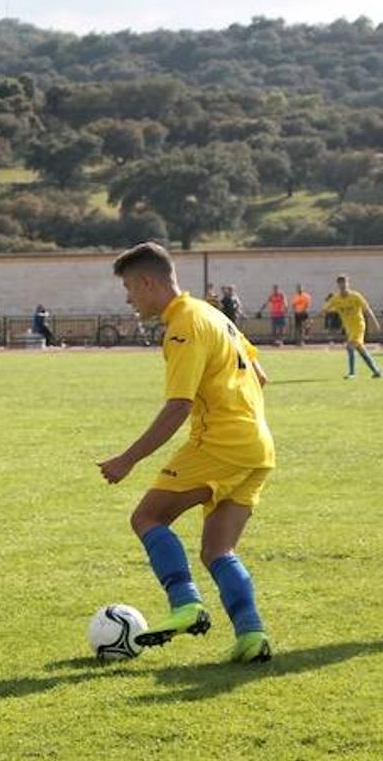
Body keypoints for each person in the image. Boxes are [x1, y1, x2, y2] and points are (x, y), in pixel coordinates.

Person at [97, 241, 274, 664]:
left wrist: (128, 459)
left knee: (147, 517)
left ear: (148, 282)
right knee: (218, 550)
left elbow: (179, 405)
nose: (128, 298)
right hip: (258, 446)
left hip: (221, 443)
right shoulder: (215, 316)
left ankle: (185, 604)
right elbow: (261, 376)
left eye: (129, 288)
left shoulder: (183, 325)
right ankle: (251, 636)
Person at [322, 275, 383, 379]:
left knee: (350, 346)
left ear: (348, 284)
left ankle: (352, 373)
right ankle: (376, 370)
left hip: (359, 326)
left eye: (344, 283)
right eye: (340, 284)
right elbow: (325, 309)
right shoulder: (336, 299)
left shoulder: (355, 296)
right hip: (349, 329)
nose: (343, 286)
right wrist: (312, 319)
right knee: (360, 349)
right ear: (338, 285)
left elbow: (367, 309)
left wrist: (375, 323)